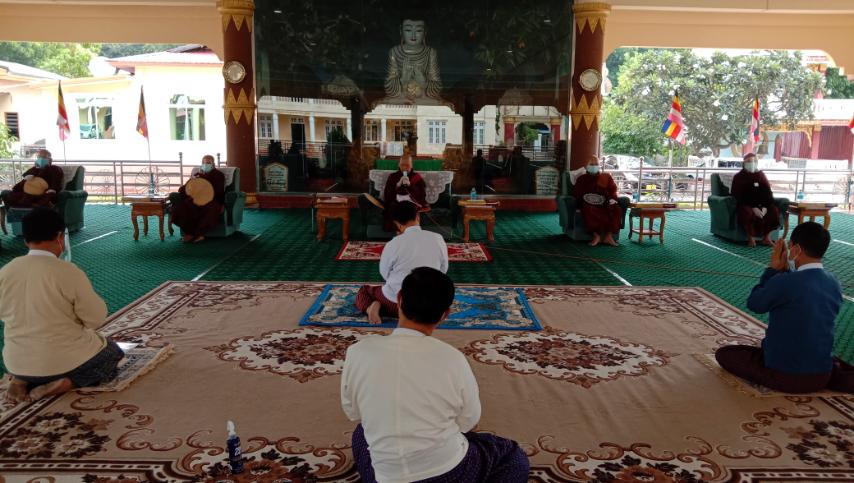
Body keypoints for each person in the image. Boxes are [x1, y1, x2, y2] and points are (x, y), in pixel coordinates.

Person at [342, 267, 530, 482]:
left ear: (399, 299)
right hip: (449, 474)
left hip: (384, 477)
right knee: (512, 456)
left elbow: (354, 412)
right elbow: (467, 421)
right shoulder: (452, 358)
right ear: (445, 314)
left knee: (361, 433)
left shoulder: (358, 352)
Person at [0, 208, 124, 404]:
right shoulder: (67, 271)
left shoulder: (6, 271)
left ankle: (21, 379)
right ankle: (66, 383)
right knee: (113, 352)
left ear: (25, 240)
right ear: (60, 237)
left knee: (34, 355)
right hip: (61, 363)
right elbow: (96, 319)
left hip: (15, 362)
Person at [715, 222, 854, 394]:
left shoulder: (784, 281)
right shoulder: (834, 282)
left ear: (796, 249)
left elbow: (755, 303)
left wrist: (773, 270)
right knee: (821, 354)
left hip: (785, 376)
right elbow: (805, 296)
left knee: (726, 354)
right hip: (822, 374)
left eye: (790, 246)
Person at [355, 201, 448, 324]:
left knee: (364, 291)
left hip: (396, 306)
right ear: (418, 217)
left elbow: (385, 274)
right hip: (429, 307)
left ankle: (370, 307)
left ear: (397, 224)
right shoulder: (437, 238)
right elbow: (443, 270)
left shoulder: (394, 243)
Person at [171, 154, 226, 243]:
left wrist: (222, 204)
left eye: (208, 163)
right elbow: (183, 190)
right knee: (182, 208)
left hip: (211, 200)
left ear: (213, 164)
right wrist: (191, 180)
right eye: (203, 163)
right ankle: (190, 232)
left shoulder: (218, 175)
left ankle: (196, 235)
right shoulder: (197, 175)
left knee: (210, 210)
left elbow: (219, 192)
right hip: (196, 199)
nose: (205, 165)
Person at [731, 153, 780, 247]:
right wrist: (753, 207)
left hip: (762, 204)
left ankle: (766, 238)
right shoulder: (738, 177)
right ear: (744, 163)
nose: (752, 163)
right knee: (746, 212)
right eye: (749, 161)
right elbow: (737, 194)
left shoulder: (761, 175)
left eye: (754, 161)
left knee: (774, 210)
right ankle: (750, 238)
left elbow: (768, 192)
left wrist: (765, 206)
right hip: (746, 203)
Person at [573, 156, 621, 247]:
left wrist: (612, 199)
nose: (594, 166)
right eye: (592, 164)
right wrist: (580, 203)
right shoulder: (582, 178)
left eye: (596, 164)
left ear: (599, 166)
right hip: (589, 203)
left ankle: (608, 237)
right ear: (587, 166)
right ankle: (596, 236)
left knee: (616, 209)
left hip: (604, 203)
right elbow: (577, 194)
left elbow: (613, 191)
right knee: (588, 208)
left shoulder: (606, 177)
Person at [378, 149, 428, 233]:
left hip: (411, 204)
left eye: (407, 165)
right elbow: (387, 196)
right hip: (396, 203)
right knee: (393, 208)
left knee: (411, 209)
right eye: (402, 165)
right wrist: (398, 185)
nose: (404, 168)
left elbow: (422, 196)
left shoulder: (417, 177)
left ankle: (410, 233)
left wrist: (410, 186)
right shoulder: (392, 177)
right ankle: (398, 232)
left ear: (411, 165)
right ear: (399, 164)